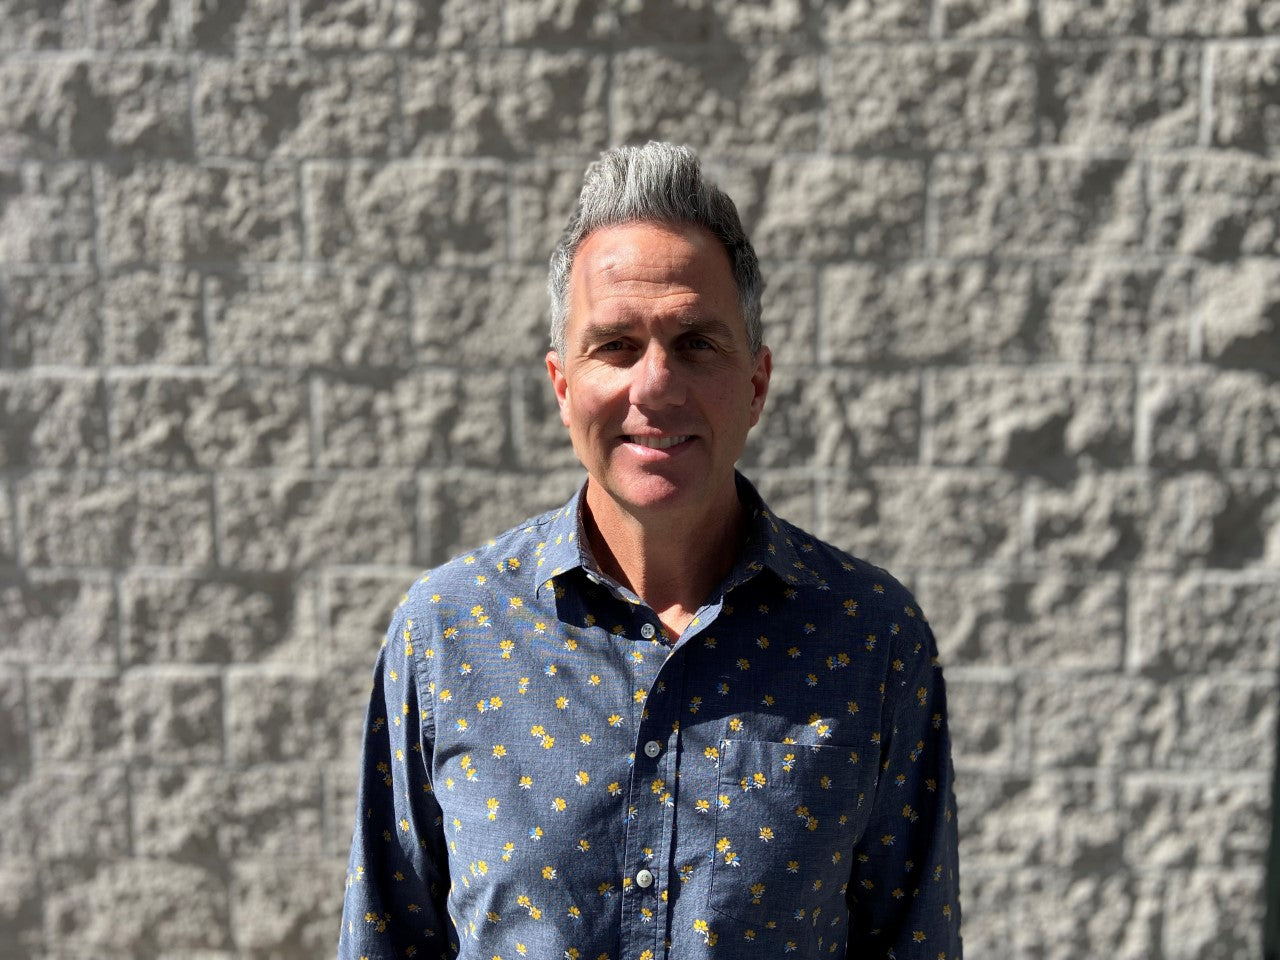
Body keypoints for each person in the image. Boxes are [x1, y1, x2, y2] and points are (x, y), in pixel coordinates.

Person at [338, 141, 961, 959]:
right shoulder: (447, 635)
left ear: (757, 385)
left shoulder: (871, 639)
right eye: (616, 346)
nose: (656, 384)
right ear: (564, 387)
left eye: (697, 342)